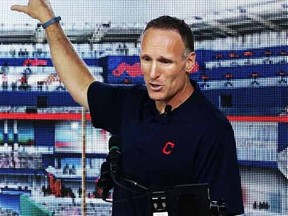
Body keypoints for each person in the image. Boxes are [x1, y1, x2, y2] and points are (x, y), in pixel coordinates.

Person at [11, 1, 244, 215]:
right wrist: (50, 22)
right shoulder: (132, 102)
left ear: (189, 63)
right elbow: (82, 85)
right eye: (146, 59)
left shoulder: (212, 130)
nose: (152, 73)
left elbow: (224, 211)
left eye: (165, 61)